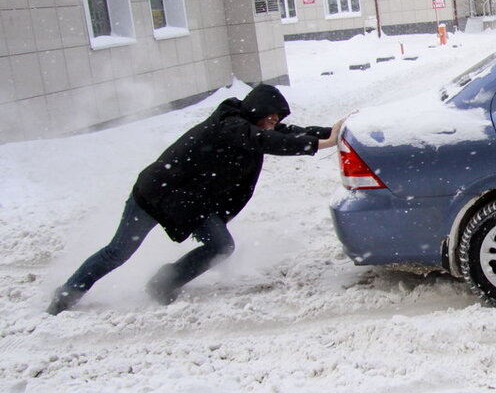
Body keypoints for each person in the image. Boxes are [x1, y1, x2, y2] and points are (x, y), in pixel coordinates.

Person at [47, 84, 345, 315]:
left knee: (220, 246)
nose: (273, 123)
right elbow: (266, 140)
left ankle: (162, 283)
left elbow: (284, 132)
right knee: (118, 252)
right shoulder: (231, 126)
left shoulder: (252, 124)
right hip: (155, 193)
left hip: (188, 203)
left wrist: (331, 132)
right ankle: (66, 295)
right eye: (269, 118)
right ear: (255, 112)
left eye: (275, 119)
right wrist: (320, 144)